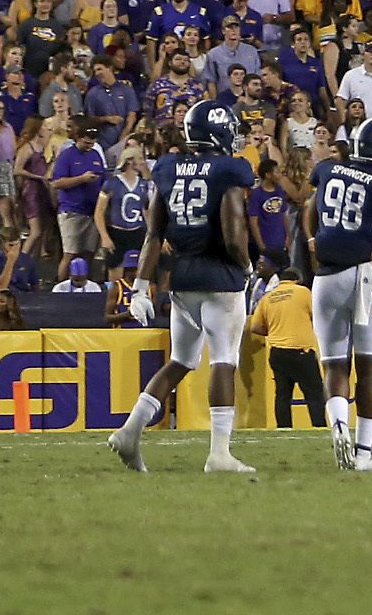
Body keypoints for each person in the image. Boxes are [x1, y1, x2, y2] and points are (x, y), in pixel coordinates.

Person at [106, 94, 258, 474]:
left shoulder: (169, 167)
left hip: (181, 277)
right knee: (224, 359)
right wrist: (248, 265)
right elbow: (234, 233)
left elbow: (153, 233)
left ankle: (130, 430)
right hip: (220, 277)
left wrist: (140, 286)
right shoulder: (229, 170)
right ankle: (219, 453)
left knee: (180, 361)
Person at [307, 116, 372, 471]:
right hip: (366, 273)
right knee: (371, 364)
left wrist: (314, 240)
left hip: (326, 276)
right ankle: (363, 451)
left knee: (334, 363)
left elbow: (311, 209)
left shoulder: (328, 170)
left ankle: (338, 426)